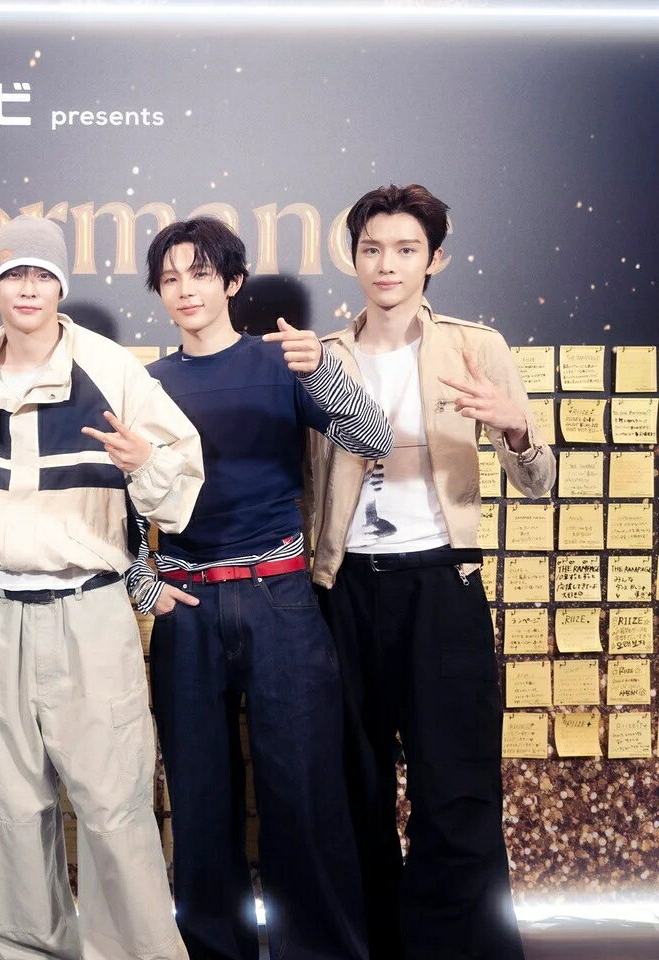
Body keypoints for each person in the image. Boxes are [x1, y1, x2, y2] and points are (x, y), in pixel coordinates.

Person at [127, 216, 390, 960]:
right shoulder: (146, 383)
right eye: (170, 278)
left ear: (232, 282)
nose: (185, 290)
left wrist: (323, 373)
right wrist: (144, 583)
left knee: (304, 793)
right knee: (200, 800)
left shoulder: (283, 361)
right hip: (188, 604)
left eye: (200, 274)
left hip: (281, 598)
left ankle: (322, 951)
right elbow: (120, 498)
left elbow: (373, 438)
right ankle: (215, 948)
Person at [308, 184, 554, 960]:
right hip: (345, 593)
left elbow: (540, 481)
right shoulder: (323, 356)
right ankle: (372, 945)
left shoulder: (476, 347)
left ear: (435, 259)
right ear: (354, 258)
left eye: (406, 249)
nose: (387, 264)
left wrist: (515, 429)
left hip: (443, 587)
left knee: (457, 789)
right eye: (373, 249)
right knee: (354, 788)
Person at [0, 214, 203, 960]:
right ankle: (25, 951)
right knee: (6, 810)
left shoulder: (112, 368)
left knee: (114, 806)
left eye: (43, 274)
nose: (28, 288)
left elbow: (179, 486)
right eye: (13, 274)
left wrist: (141, 463)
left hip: (90, 611)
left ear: (61, 285)